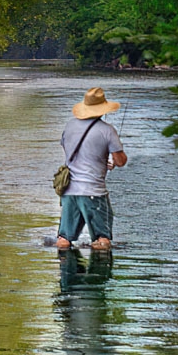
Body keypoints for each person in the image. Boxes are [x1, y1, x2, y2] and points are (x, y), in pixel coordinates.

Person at [56, 86, 127, 251]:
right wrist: (111, 161)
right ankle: (99, 274)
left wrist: (99, 161)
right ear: (103, 109)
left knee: (64, 240)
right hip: (93, 192)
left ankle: (66, 272)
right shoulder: (107, 130)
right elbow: (121, 161)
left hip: (69, 191)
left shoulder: (70, 126)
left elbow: (71, 152)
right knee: (102, 241)